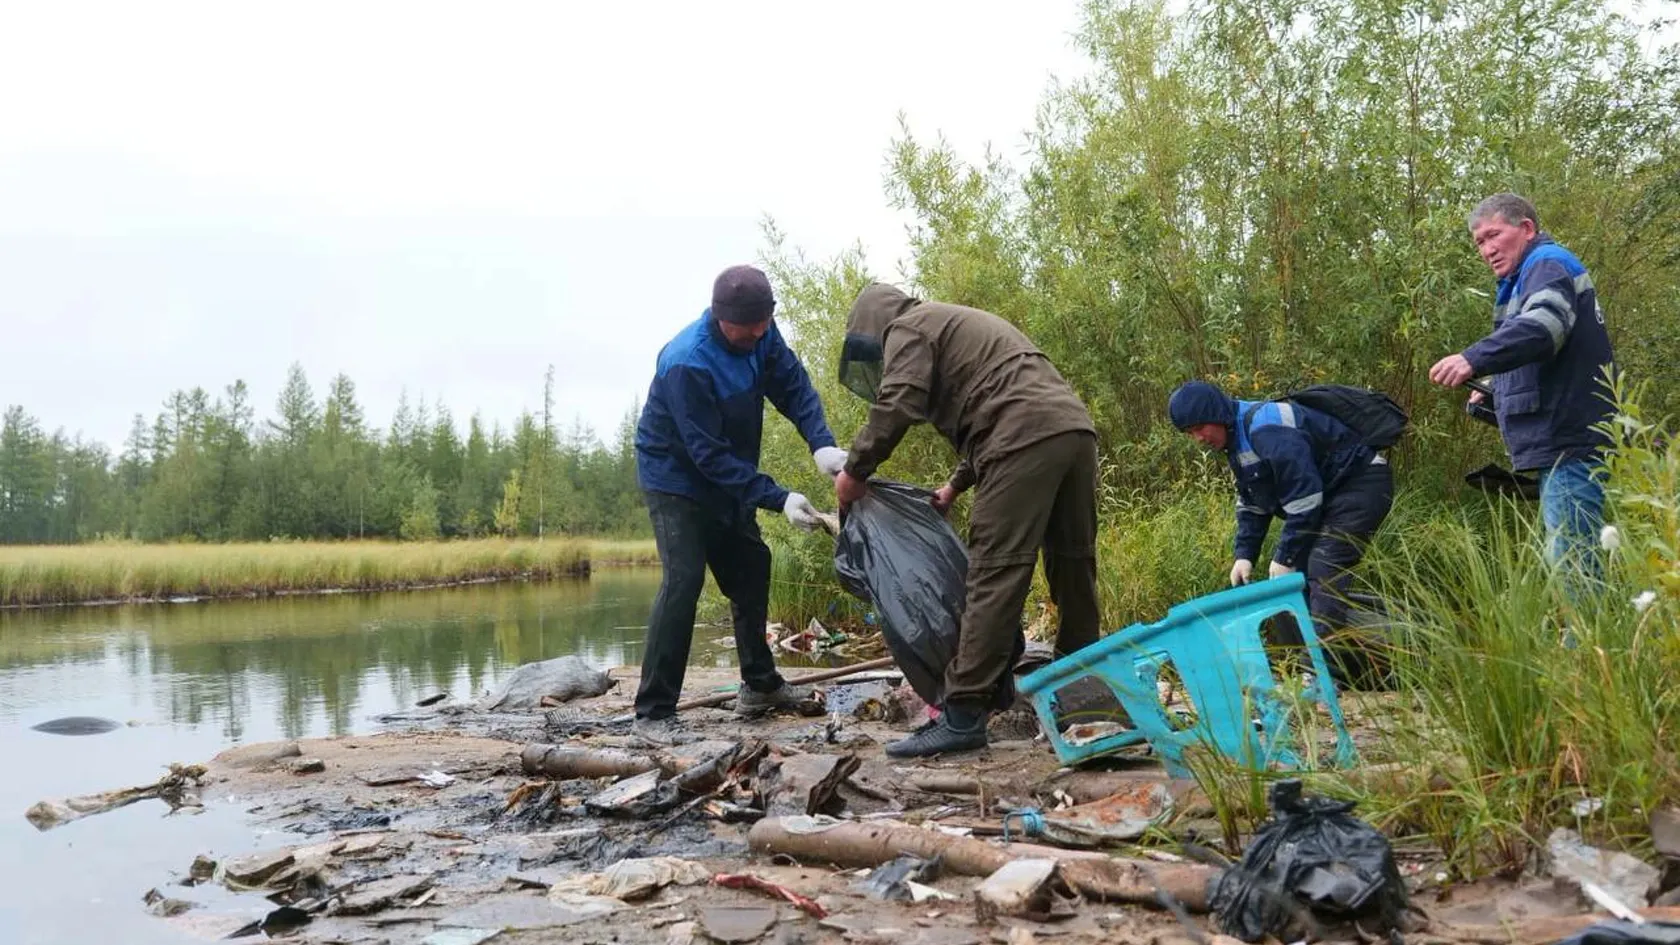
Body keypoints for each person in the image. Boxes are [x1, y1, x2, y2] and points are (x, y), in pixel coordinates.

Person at [833, 283, 1101, 757]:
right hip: (1072, 431)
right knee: (1072, 565)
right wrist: (956, 485)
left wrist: (855, 471)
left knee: (995, 572)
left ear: (875, 329)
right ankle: (1084, 697)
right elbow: (1001, 398)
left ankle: (962, 715)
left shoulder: (907, 327)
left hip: (1020, 437)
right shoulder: (950, 321)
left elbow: (898, 402)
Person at [631, 264, 849, 744]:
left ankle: (760, 686)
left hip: (724, 474)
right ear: (719, 315)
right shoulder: (687, 361)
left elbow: (794, 386)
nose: (758, 332)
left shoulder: (762, 334)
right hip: (675, 477)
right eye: (748, 325)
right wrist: (778, 497)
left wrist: (822, 445)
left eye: (764, 322)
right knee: (684, 579)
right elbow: (706, 455)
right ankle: (652, 713)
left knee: (752, 563)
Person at [1428, 193, 1615, 574]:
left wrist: (1473, 359)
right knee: (1569, 558)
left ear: (1526, 228)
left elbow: (1543, 328)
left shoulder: (1545, 264)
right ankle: (1583, 633)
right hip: (1563, 441)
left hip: (1569, 440)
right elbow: (1543, 354)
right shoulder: (1526, 276)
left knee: (1574, 564)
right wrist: (1497, 387)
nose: (1487, 249)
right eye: (1480, 242)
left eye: (1494, 235)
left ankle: (1589, 635)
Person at [1167, 380, 1393, 685]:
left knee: (1324, 567)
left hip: (1361, 485)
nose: (1198, 438)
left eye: (1199, 428)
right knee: (1292, 582)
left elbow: (1305, 497)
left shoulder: (1266, 428)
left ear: (1216, 414)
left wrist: (1285, 556)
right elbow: (1253, 504)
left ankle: (1320, 675)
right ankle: (1324, 663)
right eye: (1190, 433)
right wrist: (1244, 555)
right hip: (1328, 495)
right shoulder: (1237, 441)